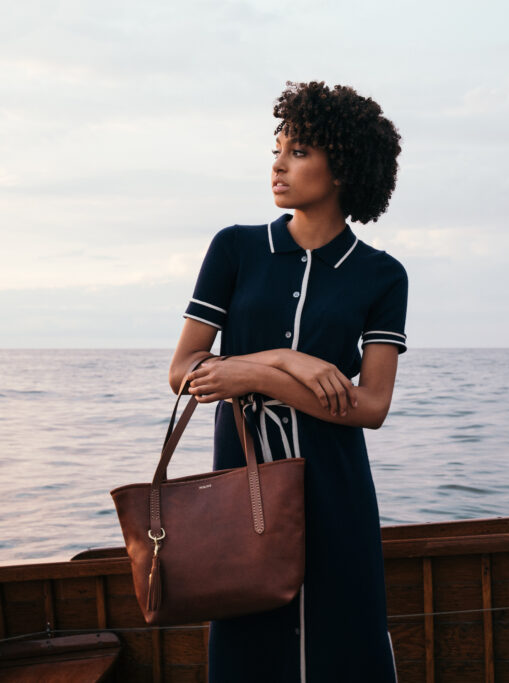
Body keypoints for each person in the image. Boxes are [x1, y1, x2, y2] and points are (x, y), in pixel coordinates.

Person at [169, 81, 407, 683]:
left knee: (344, 642)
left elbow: (372, 405)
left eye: (298, 151)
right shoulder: (235, 249)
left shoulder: (382, 276)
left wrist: (252, 374)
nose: (278, 165)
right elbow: (184, 373)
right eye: (276, 149)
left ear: (342, 165)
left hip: (337, 490)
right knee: (250, 645)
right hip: (243, 492)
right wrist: (280, 360)